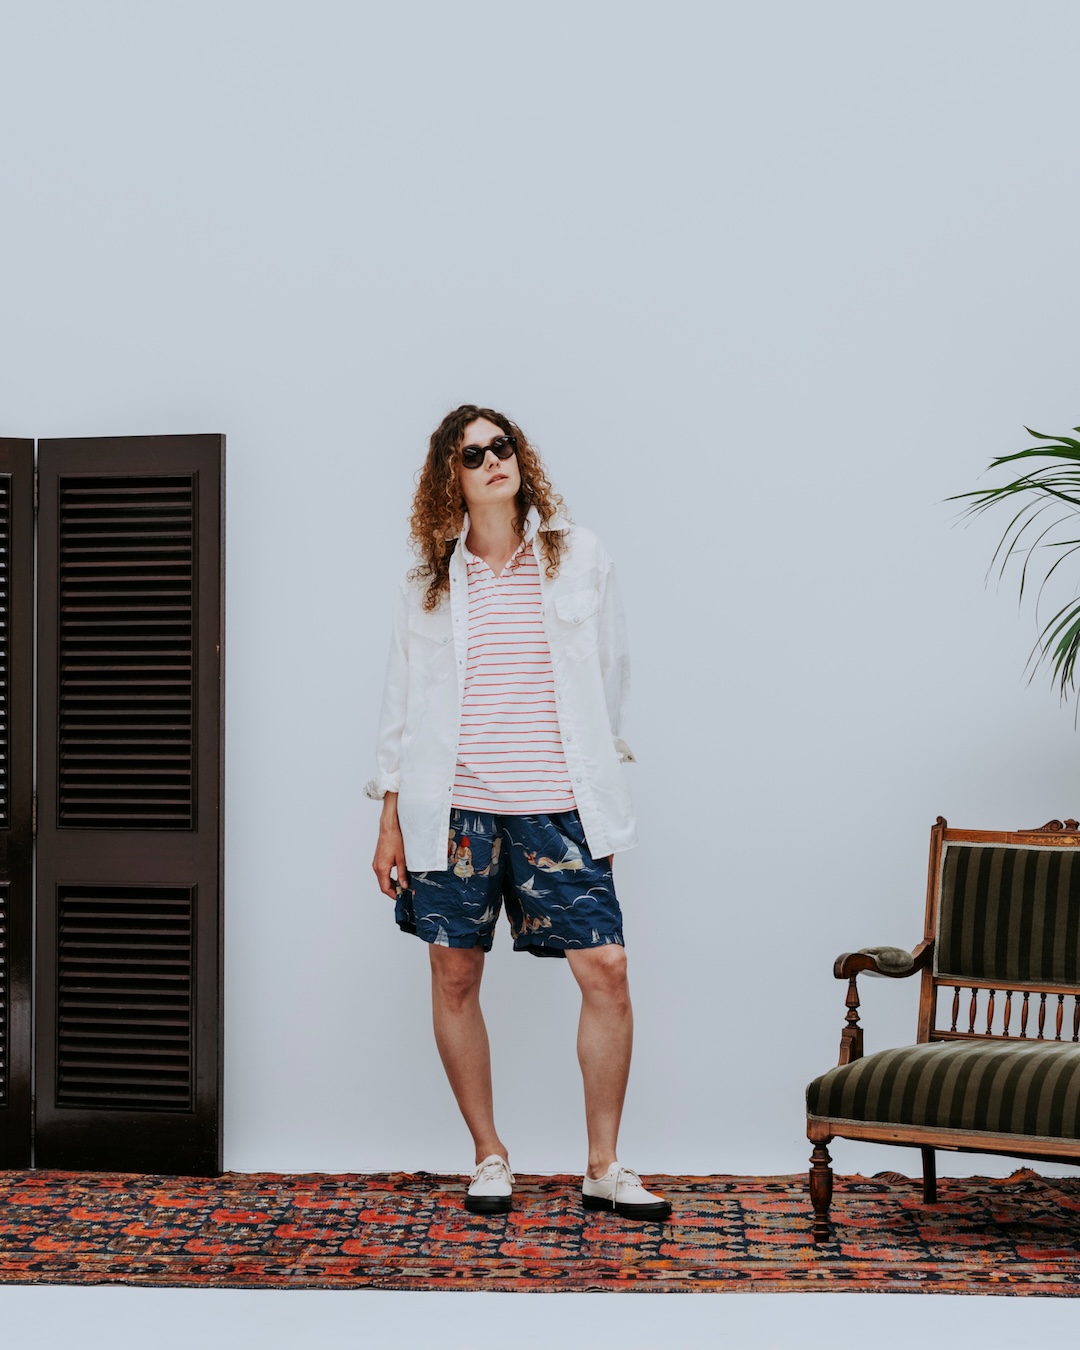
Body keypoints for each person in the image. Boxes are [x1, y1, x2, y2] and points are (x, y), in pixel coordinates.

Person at [366, 404, 669, 1221]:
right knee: (454, 973)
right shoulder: (428, 582)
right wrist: (389, 816)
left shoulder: (578, 557)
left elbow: (611, 674)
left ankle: (603, 1164)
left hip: (557, 808)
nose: (493, 460)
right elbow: (401, 703)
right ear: (451, 478)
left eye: (502, 446)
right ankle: (488, 1154)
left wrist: (596, 788)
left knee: (606, 969)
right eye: (473, 454)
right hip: (454, 811)